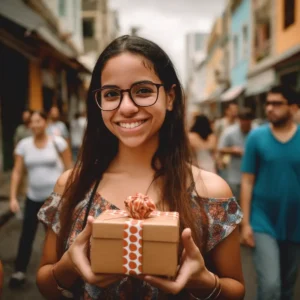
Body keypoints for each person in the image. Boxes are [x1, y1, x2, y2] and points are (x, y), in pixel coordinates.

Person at [36, 35, 245, 300]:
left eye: (143, 91)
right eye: (111, 94)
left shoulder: (211, 191)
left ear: (170, 97)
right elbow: (45, 284)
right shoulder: (72, 185)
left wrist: (203, 282)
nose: (126, 107)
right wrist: (67, 267)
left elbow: (236, 290)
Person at [240, 85, 300, 300]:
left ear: (293, 107)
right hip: (262, 219)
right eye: (268, 103)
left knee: (287, 286)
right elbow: (247, 181)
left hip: (295, 221)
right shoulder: (256, 137)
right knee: (270, 285)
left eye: (276, 103)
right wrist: (245, 223)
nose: (269, 108)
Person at [9, 111, 72, 288]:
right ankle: (19, 271)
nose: (35, 125)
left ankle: (63, 275)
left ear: (45, 122)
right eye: (32, 122)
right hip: (33, 198)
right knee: (26, 235)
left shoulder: (57, 142)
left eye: (38, 121)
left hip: (56, 200)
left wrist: (72, 195)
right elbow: (17, 172)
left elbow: (69, 169)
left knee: (58, 237)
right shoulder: (24, 145)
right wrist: (13, 197)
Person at [218, 108, 254, 201]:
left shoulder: (257, 131)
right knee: (236, 201)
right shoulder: (229, 132)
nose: (245, 124)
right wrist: (233, 150)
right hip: (235, 174)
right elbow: (220, 148)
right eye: (243, 121)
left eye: (247, 121)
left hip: (254, 174)